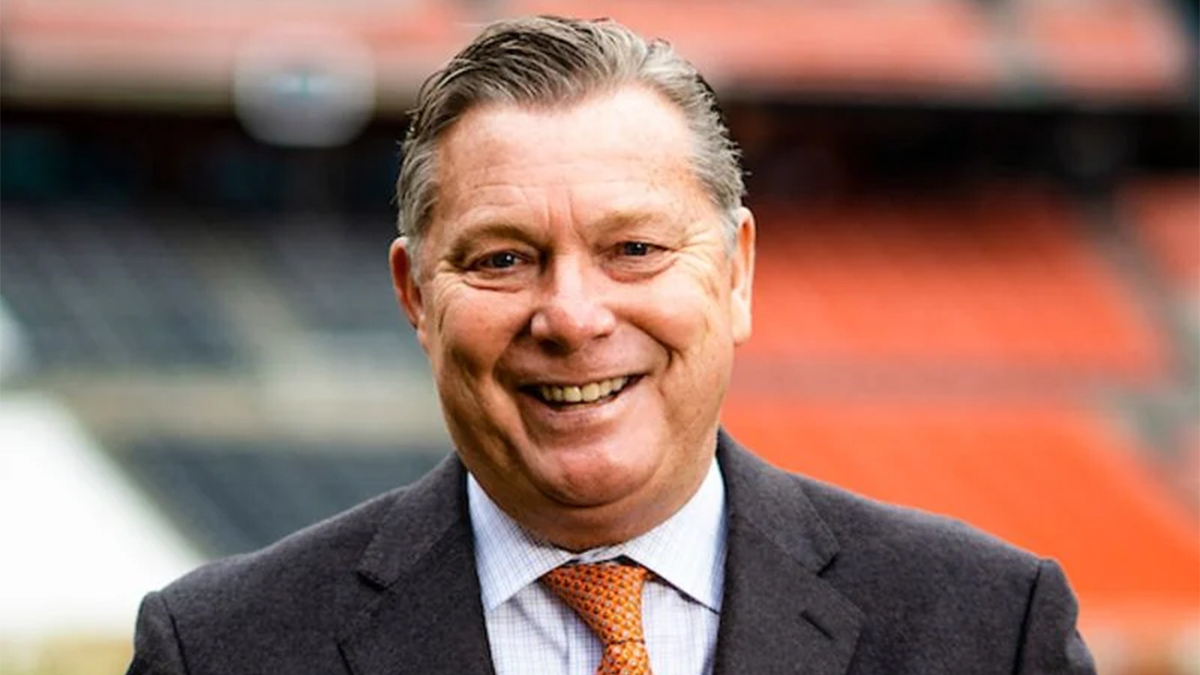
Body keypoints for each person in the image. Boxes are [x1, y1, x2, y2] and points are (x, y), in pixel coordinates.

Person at [127, 15, 1097, 675]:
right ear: (416, 296)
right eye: (504, 259)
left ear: (736, 272)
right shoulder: (220, 649)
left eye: (633, 249)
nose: (573, 316)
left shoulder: (988, 628)